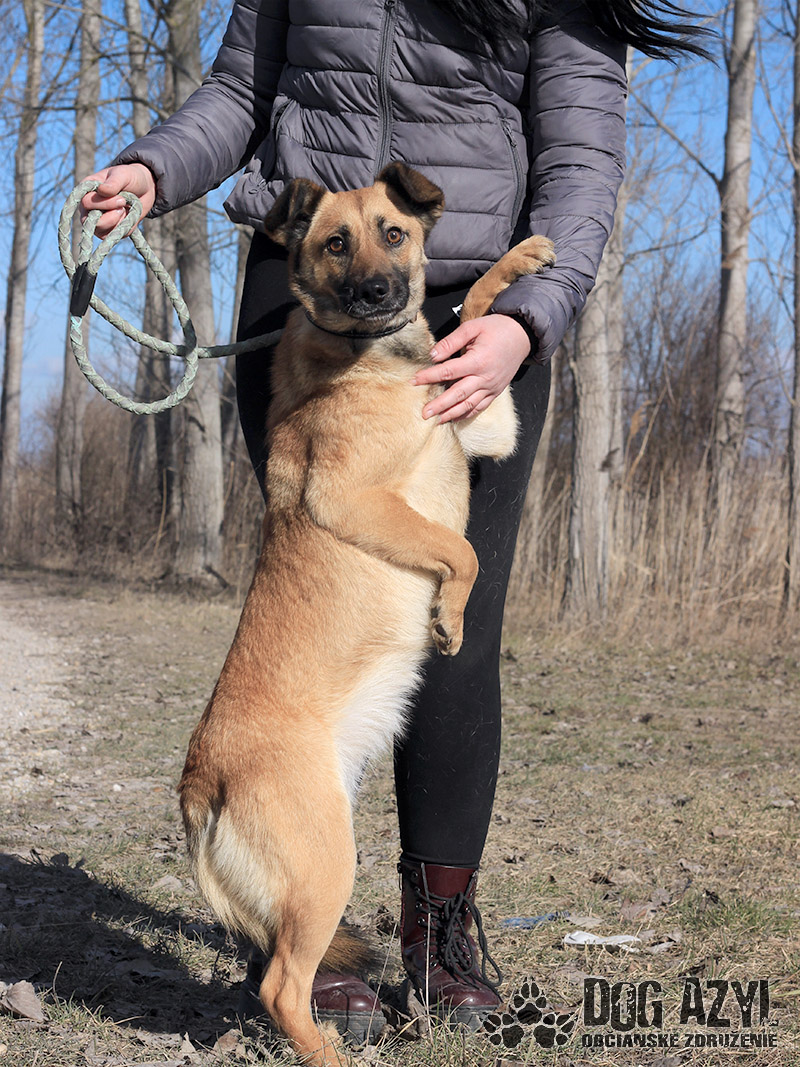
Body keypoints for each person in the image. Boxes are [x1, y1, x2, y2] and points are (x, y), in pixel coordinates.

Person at [81, 0, 710, 1044]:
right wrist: (155, 168)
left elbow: (580, 160)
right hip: (308, 298)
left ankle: (440, 934)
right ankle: (295, 924)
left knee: (455, 639)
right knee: (325, 619)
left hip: (470, 314)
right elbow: (240, 88)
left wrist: (527, 316)